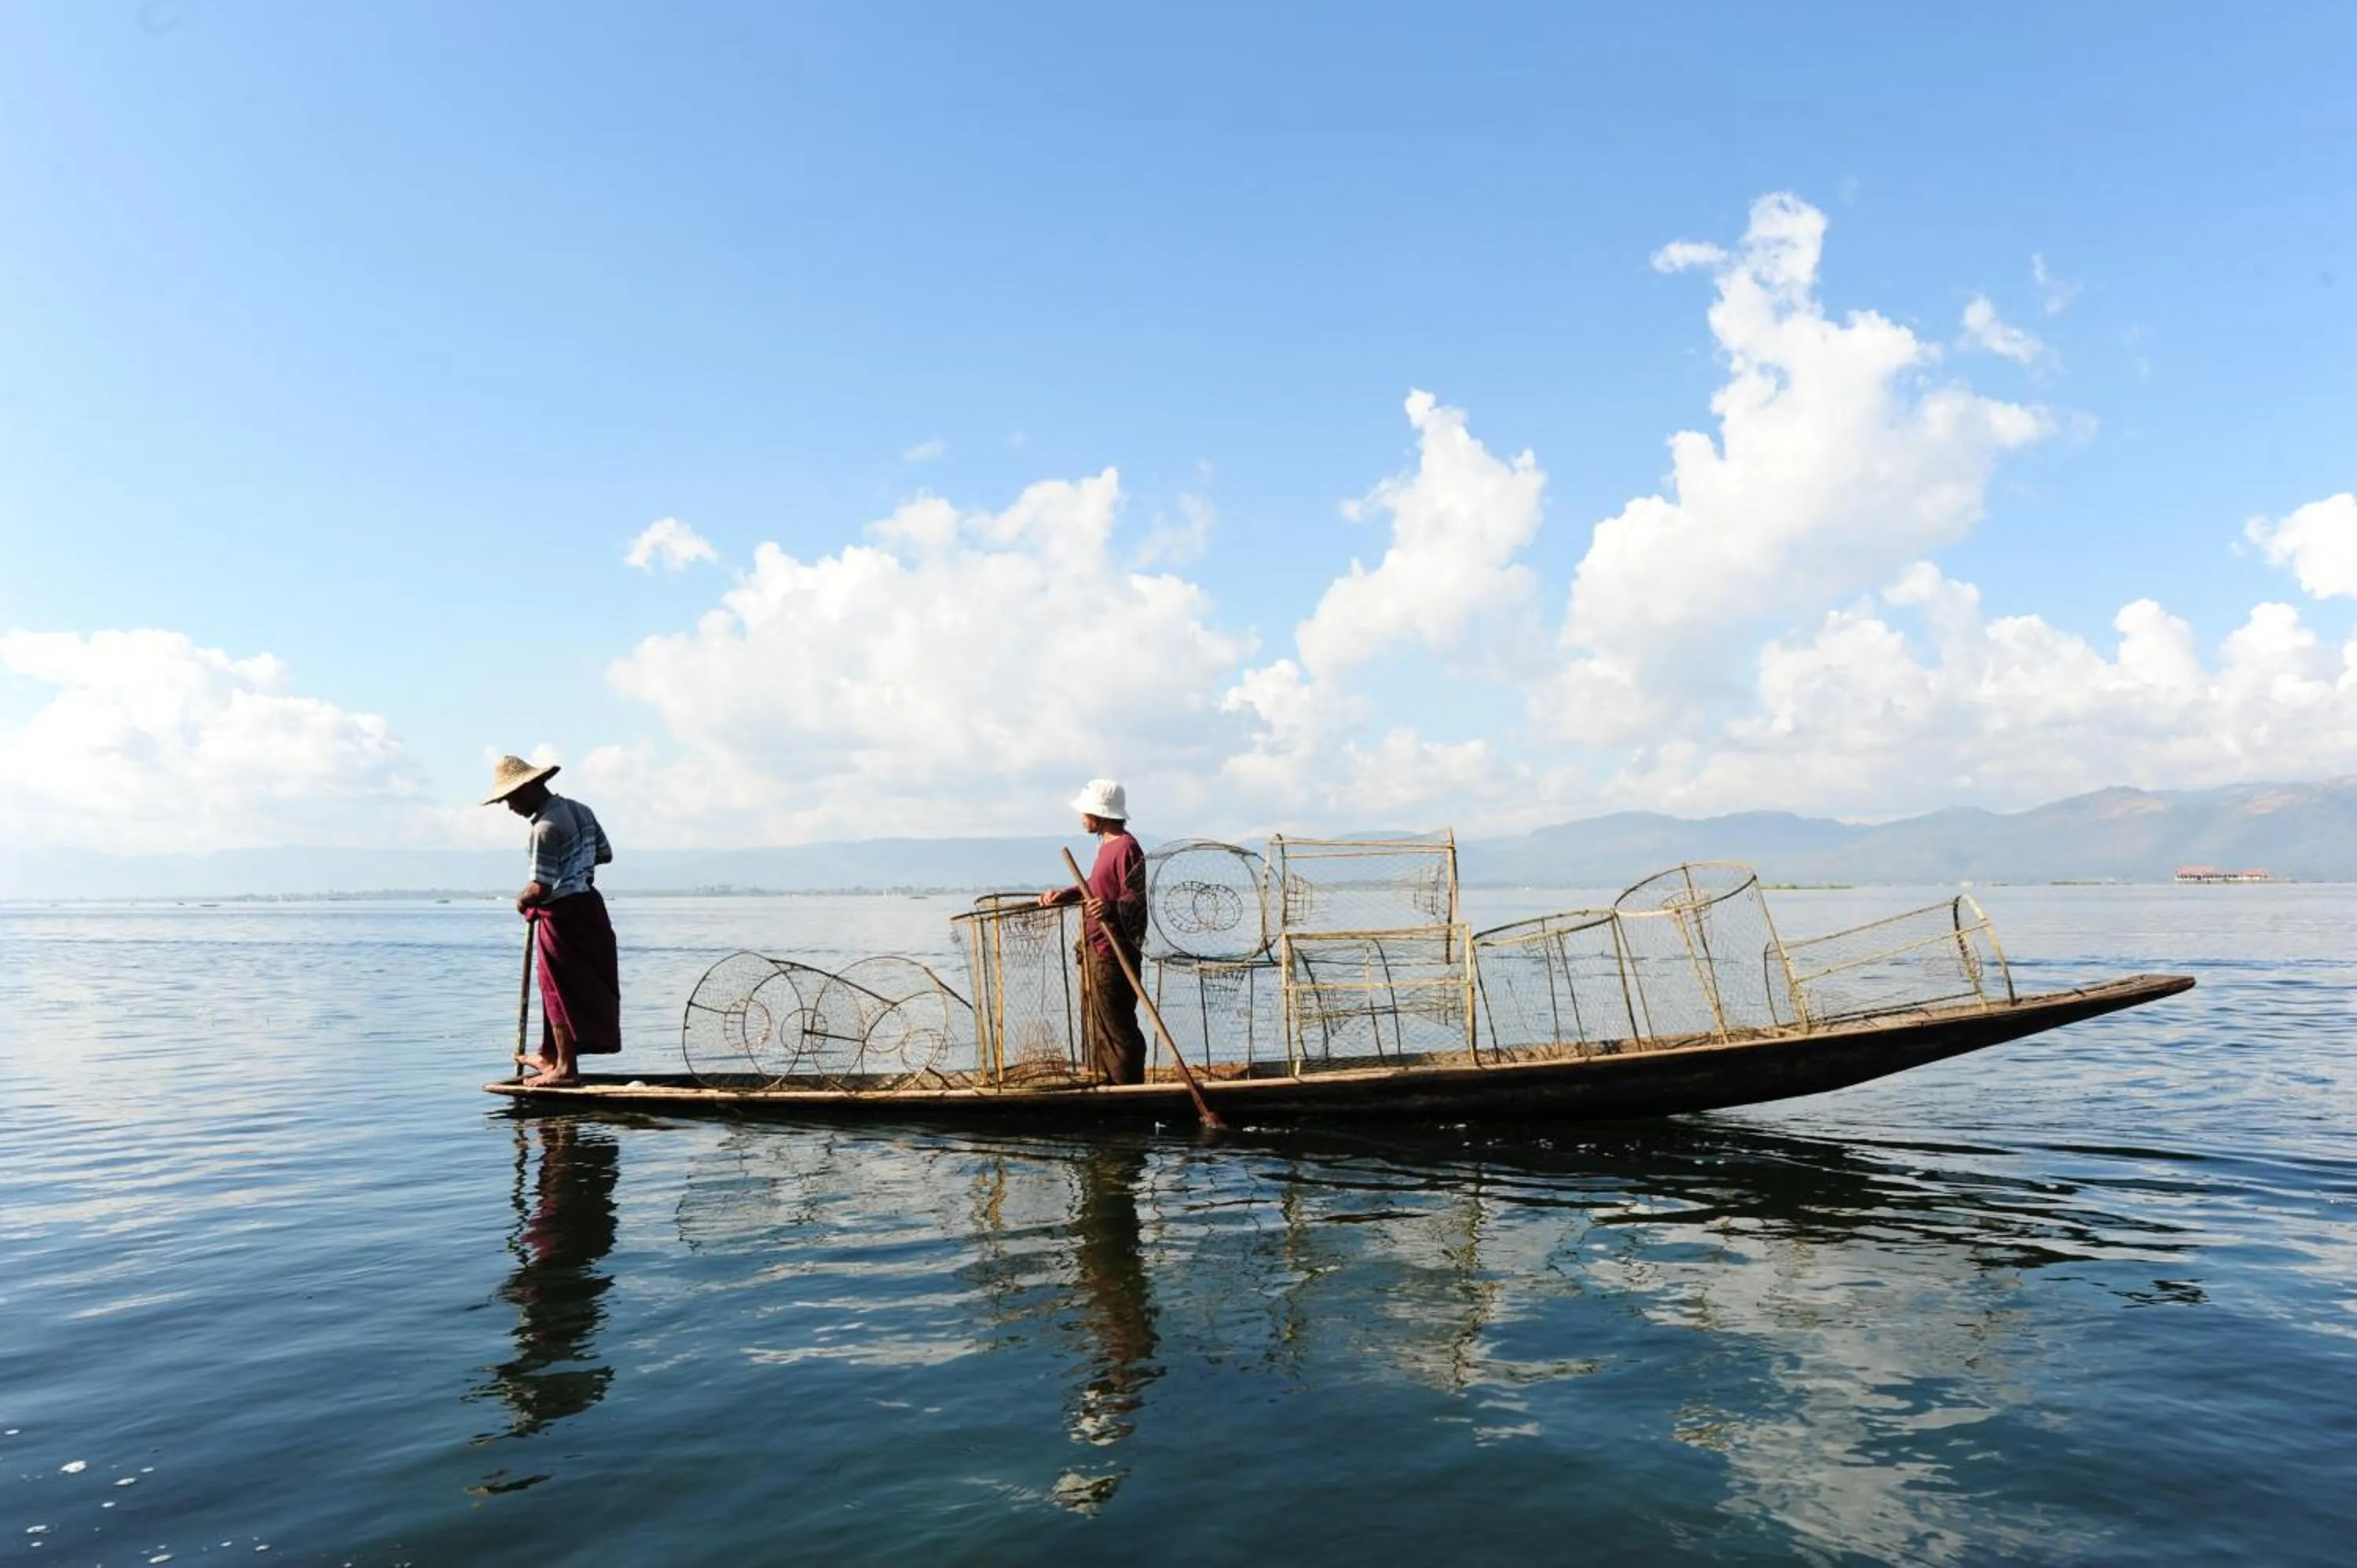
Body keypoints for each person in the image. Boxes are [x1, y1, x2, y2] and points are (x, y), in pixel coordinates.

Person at [483, 755, 621, 1086]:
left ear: (530, 788)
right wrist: (576, 867)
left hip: (564, 915)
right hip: (588, 906)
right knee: (565, 985)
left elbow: (540, 888)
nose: (511, 807)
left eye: (512, 798)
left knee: (558, 989)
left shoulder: (544, 828)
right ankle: (551, 1055)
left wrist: (521, 900)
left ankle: (566, 1069)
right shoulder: (581, 810)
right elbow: (604, 854)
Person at [1039, 779, 1149, 1085]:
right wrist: (1065, 894)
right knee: (1101, 1030)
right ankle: (1108, 1085)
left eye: (1086, 812)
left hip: (1113, 953)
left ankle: (1128, 1091)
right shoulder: (1106, 846)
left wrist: (1110, 908)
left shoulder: (1126, 847)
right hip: (1095, 947)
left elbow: (1137, 900)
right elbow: (1095, 887)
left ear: (1101, 815)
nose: (1082, 818)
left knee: (1117, 1030)